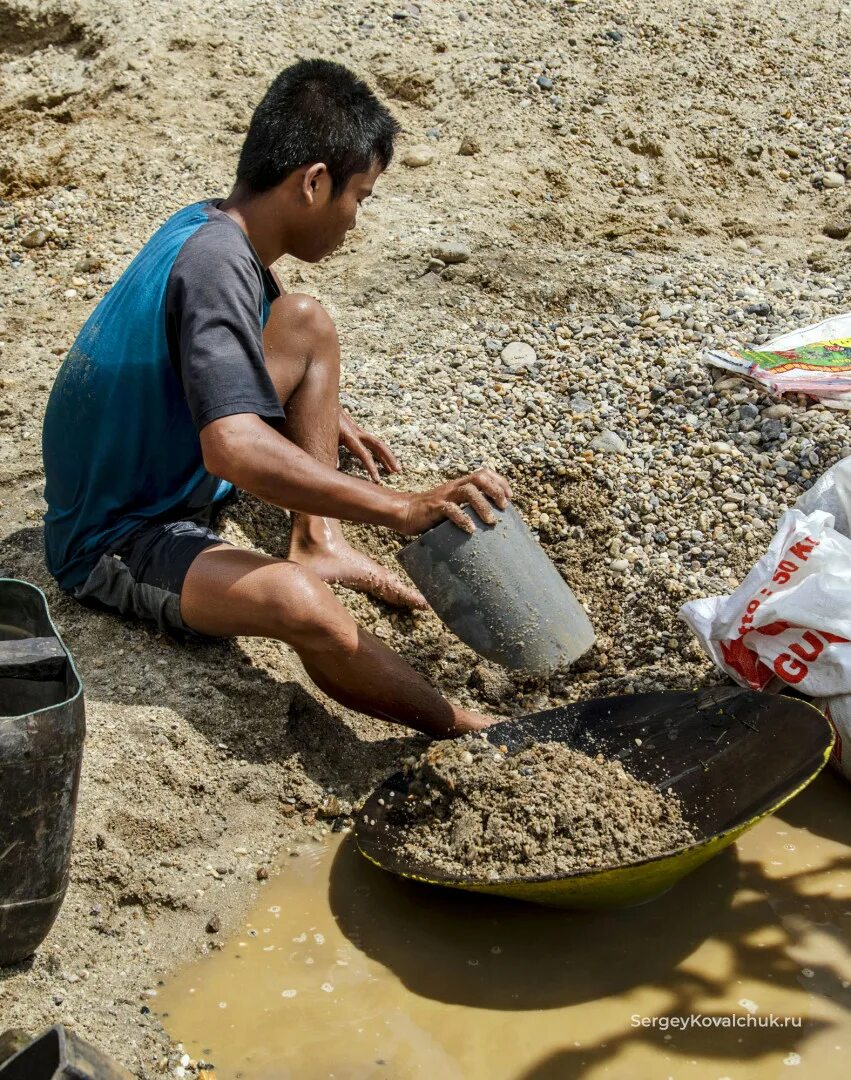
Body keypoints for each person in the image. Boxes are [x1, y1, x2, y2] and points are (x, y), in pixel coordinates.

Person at [42, 59, 512, 738]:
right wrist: (401, 509)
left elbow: (257, 334)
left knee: (306, 321)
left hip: (147, 468)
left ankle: (317, 539)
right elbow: (232, 447)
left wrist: (323, 411)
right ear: (313, 183)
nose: (356, 219)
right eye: (361, 196)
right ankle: (469, 730)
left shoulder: (213, 228)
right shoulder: (215, 266)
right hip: (115, 536)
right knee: (304, 607)